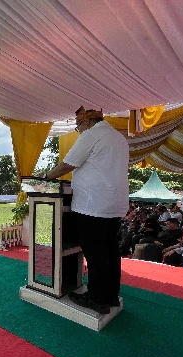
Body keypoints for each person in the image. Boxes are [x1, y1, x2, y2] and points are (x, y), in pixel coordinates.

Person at [41, 106, 129, 314]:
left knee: (96, 253)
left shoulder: (91, 135)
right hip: (114, 204)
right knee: (110, 251)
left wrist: (46, 177)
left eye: (78, 126)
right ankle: (111, 295)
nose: (78, 130)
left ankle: (98, 299)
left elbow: (66, 165)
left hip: (94, 204)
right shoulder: (118, 137)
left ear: (87, 122)